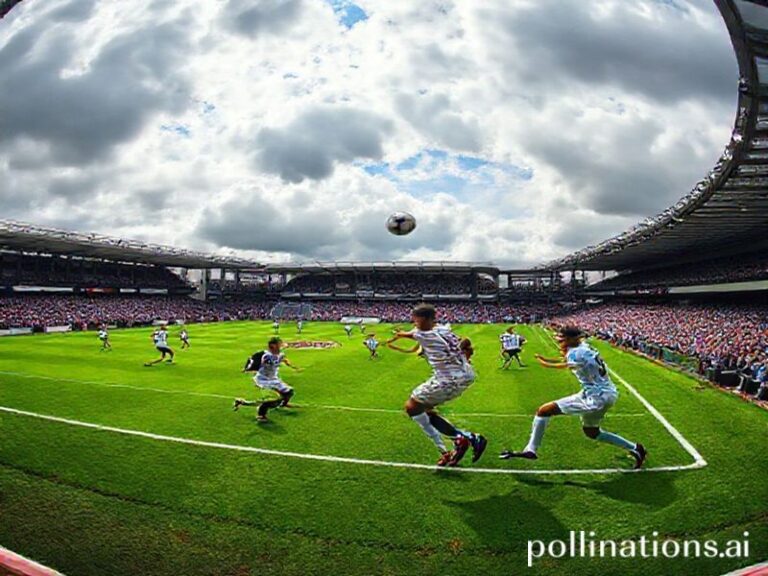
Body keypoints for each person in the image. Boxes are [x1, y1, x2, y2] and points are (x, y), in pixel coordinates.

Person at [499, 326, 646, 469]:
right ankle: (636, 448)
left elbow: (565, 365)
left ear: (571, 339)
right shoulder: (584, 347)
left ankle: (530, 450)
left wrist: (545, 363)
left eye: (563, 338)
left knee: (544, 411)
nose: (560, 341)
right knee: (592, 432)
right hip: (605, 393)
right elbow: (571, 361)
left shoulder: (575, 353)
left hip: (596, 397)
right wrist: (547, 359)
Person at [387, 303, 487, 467]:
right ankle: (456, 443)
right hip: (465, 374)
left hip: (447, 380)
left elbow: (413, 335)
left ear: (427, 319)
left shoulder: (423, 334)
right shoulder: (444, 329)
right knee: (424, 409)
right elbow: (466, 341)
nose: (415, 324)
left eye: (417, 321)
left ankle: (466, 437)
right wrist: (459, 355)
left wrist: (399, 335)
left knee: (412, 407)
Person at [233, 337, 299, 422]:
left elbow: (284, 359)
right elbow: (254, 361)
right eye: (279, 344)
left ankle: (283, 404)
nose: (281, 346)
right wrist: (248, 368)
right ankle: (260, 414)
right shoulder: (266, 356)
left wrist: (292, 366)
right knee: (273, 400)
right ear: (273, 346)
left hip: (274, 379)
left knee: (289, 392)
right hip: (263, 380)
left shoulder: (280, 354)